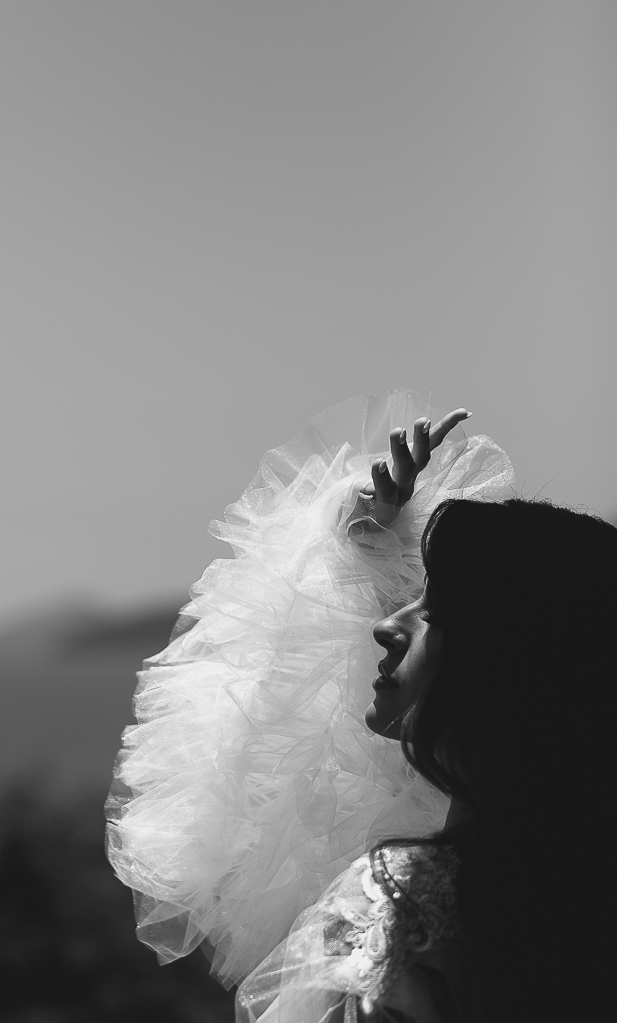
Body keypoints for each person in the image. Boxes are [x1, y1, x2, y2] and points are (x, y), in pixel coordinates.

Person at [106, 393, 615, 1021]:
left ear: (500, 662)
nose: (386, 625)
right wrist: (370, 537)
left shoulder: (401, 902)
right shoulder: (577, 889)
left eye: (430, 608)